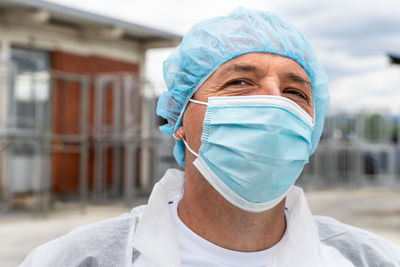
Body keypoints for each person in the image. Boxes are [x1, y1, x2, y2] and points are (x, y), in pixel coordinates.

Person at [21, 7, 400, 267]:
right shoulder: (77, 259)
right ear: (179, 116)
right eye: (240, 82)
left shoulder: (368, 258)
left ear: (311, 131)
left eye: (295, 92)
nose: (273, 102)